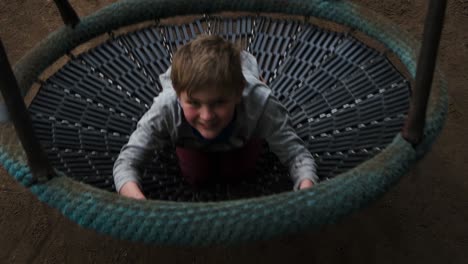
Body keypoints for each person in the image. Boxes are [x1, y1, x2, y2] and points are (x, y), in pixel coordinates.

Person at [113, 35, 318, 200]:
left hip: (244, 132)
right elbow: (127, 163)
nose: (207, 115)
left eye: (218, 103)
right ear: (178, 95)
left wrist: (306, 192)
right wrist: (139, 203)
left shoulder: (260, 105)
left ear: (238, 94)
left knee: (239, 173)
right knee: (197, 177)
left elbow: (296, 155)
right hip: (189, 139)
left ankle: (255, 79)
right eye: (194, 103)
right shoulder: (166, 107)